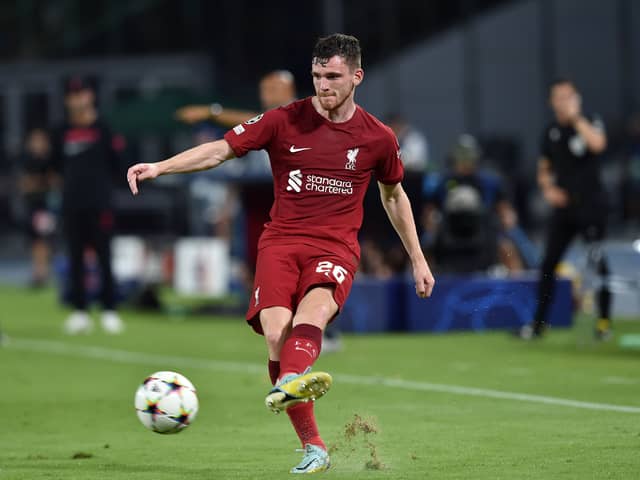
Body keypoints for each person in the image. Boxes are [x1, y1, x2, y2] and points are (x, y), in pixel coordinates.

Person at [127, 34, 434, 474]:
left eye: (332, 76)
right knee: (275, 333)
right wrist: (160, 166)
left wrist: (418, 259)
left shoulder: (377, 138)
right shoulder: (283, 120)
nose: (323, 85)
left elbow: (394, 196)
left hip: (335, 247)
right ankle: (314, 444)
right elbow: (219, 151)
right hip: (281, 241)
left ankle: (290, 382)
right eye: (316, 76)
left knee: (313, 313)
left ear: (356, 77)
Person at [517, 79, 611, 340]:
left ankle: (603, 323)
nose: (565, 101)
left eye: (569, 96)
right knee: (548, 263)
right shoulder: (550, 132)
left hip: (592, 206)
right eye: (560, 97)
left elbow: (598, 145)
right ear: (551, 102)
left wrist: (577, 119)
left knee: (597, 261)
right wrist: (548, 190)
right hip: (565, 208)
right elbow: (544, 169)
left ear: (577, 98)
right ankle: (538, 323)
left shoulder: (589, 121)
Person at [50, 76, 126, 335]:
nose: (77, 99)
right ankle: (80, 311)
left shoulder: (104, 128)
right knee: (75, 258)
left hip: (100, 203)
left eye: (81, 94)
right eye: (72, 95)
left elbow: (118, 164)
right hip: (72, 203)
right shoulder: (61, 131)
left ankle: (109, 310)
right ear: (67, 100)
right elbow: (55, 165)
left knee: (104, 257)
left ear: (90, 96)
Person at [422, 134, 534, 273]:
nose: (465, 161)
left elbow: (504, 208)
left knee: (509, 245)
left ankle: (524, 279)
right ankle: (422, 286)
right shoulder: (443, 182)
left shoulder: (489, 182)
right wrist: (431, 225)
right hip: (448, 230)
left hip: (485, 229)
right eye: (461, 156)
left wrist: (508, 219)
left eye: (468, 157)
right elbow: (429, 210)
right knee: (423, 248)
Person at [18, 128, 56, 287]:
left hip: (45, 206)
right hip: (32, 206)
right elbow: (24, 185)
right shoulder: (27, 160)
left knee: (43, 240)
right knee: (35, 241)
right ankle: (38, 271)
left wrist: (38, 183)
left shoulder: (50, 160)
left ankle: (42, 273)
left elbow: (54, 182)